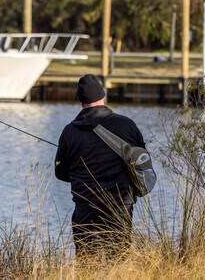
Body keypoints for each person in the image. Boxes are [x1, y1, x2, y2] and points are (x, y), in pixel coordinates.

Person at [54, 74, 145, 257]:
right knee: (118, 260)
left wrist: (81, 175)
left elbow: (60, 172)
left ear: (81, 101)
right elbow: (141, 161)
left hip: (86, 208)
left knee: (87, 262)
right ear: (102, 96)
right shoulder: (127, 125)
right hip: (120, 205)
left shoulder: (69, 132)